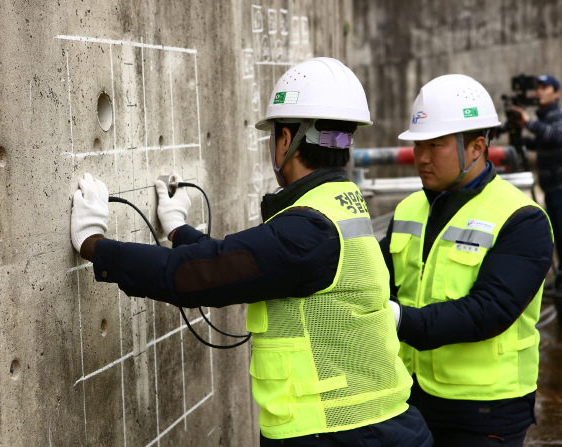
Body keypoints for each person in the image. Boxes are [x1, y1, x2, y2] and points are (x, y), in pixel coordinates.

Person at [70, 57, 432, 446]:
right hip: (374, 425)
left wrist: (94, 243)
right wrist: (177, 229)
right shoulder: (339, 208)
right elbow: (242, 262)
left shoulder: (308, 230)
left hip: (342, 433)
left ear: (285, 140)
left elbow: (194, 275)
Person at [380, 74, 554, 446]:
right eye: (418, 145)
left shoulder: (521, 217)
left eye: (435, 144)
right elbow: (376, 275)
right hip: (411, 398)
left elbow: (489, 310)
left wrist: (397, 318)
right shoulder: (410, 208)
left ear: (476, 148)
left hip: (486, 410)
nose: (421, 157)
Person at [510, 74, 562, 321]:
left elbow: (555, 136)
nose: (539, 92)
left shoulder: (557, 117)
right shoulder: (542, 120)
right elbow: (542, 142)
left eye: (545, 87)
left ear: (556, 93)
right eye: (537, 87)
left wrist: (528, 122)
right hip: (551, 189)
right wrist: (518, 136)